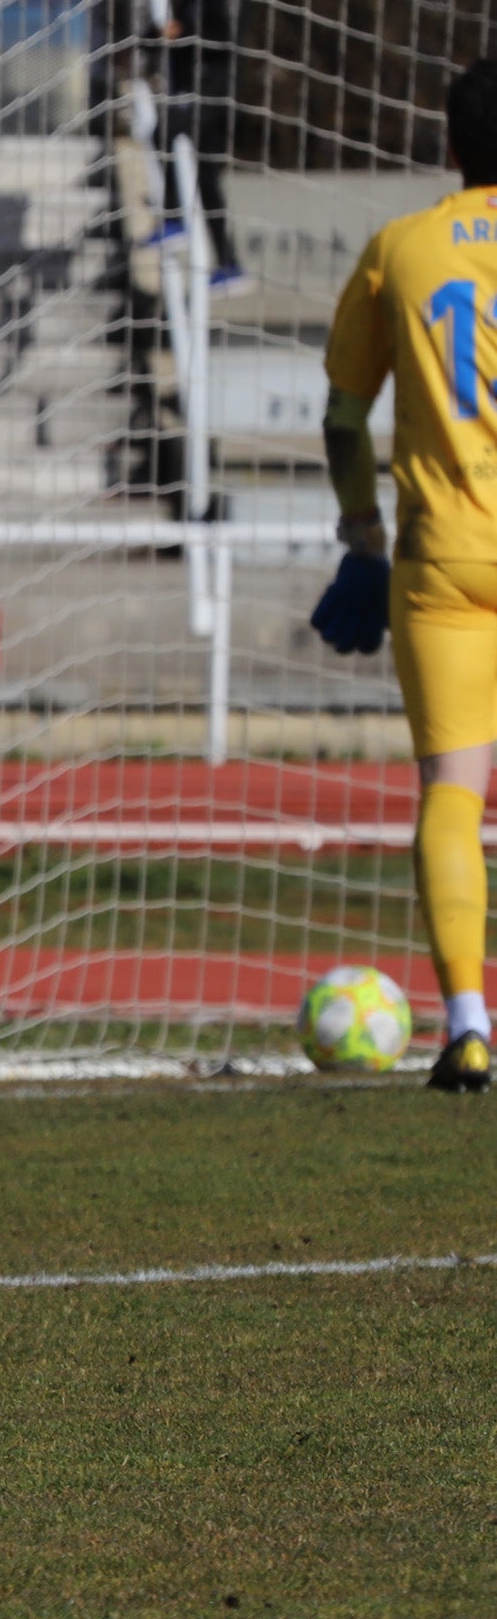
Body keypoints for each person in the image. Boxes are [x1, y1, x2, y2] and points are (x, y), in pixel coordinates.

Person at [312, 55, 497, 1093]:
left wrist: (360, 537)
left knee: (452, 795)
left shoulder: (405, 246)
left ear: (450, 145)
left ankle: (468, 1025)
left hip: (443, 561)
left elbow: (343, 414)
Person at [157, 0, 244, 290]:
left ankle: (175, 219)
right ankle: (229, 263)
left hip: (211, 91)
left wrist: (187, 32)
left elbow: (225, 37)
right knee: (207, 179)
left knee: (163, 133)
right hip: (197, 86)